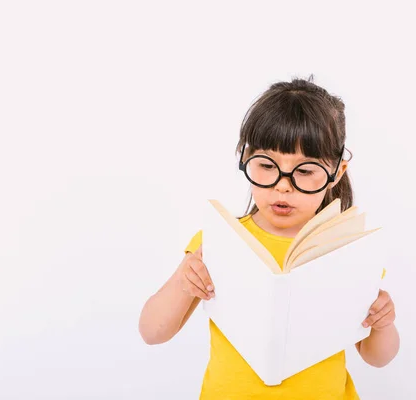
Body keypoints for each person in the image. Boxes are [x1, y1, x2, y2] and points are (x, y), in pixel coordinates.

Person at [139, 76, 400, 399]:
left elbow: (378, 357)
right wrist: (185, 278)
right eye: (265, 166)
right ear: (246, 158)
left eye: (304, 171)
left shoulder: (346, 248)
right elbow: (152, 332)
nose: (283, 186)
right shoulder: (222, 241)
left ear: (337, 173)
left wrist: (383, 323)